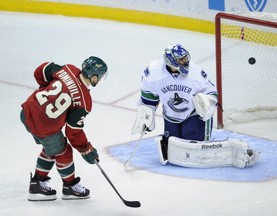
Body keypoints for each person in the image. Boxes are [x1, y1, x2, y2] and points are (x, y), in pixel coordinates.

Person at [132, 44, 260, 168]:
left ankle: (233, 148)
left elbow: (212, 93)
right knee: (173, 152)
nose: (185, 61)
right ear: (171, 61)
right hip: (171, 115)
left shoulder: (196, 74)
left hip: (194, 114)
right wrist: (146, 114)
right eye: (181, 59)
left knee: (196, 152)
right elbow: (149, 96)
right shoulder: (154, 73)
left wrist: (207, 102)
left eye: (185, 58)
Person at [20, 56, 108, 201]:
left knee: (52, 147)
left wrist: (44, 89)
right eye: (100, 77)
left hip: (27, 111)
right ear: (93, 76)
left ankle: (37, 182)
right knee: (63, 151)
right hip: (43, 125)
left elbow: (41, 70)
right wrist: (86, 148)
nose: (99, 80)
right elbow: (73, 132)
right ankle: (69, 187)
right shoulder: (84, 101)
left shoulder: (68, 69)